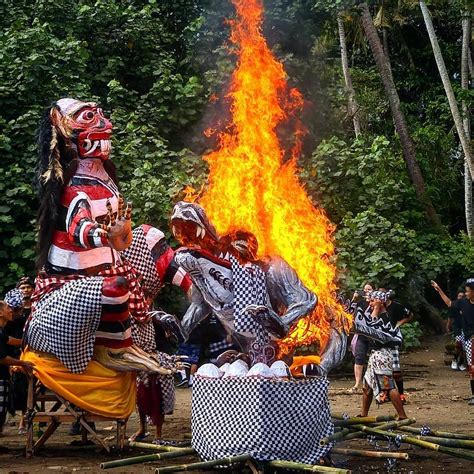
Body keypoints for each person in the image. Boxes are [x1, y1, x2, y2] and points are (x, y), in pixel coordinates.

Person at [360, 291, 407, 419]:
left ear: (380, 302)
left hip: (383, 355)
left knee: (388, 385)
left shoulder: (386, 317)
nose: (370, 304)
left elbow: (369, 325)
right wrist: (374, 307)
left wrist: (375, 308)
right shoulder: (377, 314)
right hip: (375, 354)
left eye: (372, 301)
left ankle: (402, 415)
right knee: (367, 385)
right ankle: (364, 414)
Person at [432, 279, 474, 405]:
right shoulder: (462, 303)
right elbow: (449, 303)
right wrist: (439, 290)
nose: (466, 293)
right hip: (469, 339)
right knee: (472, 368)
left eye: (467, 291)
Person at [0, 291, 34, 436]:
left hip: (3, 377)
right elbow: (2, 358)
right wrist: (22, 363)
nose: (11, 310)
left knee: (2, 411)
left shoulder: (1, 332)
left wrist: (28, 342)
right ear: (0, 313)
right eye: (8, 308)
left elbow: (9, 340)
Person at [382, 289, 413, 404]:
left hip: (393, 338)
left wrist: (399, 324)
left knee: (396, 371)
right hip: (380, 341)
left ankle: (401, 394)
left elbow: (409, 315)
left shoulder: (396, 306)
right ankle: (386, 393)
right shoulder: (376, 308)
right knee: (384, 370)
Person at [349, 283, 374, 393]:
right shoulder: (360, 303)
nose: (367, 292)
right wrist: (354, 299)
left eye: (369, 289)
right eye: (365, 290)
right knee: (359, 358)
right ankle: (357, 383)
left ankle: (372, 383)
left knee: (374, 359)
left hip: (374, 336)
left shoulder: (377, 303)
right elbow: (349, 312)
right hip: (361, 335)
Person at [446, 291, 467, 371]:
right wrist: (448, 326)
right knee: (459, 344)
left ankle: (461, 362)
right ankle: (454, 359)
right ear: (457, 297)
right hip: (457, 327)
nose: (461, 297)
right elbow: (450, 317)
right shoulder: (454, 306)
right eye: (459, 296)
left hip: (465, 328)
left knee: (463, 347)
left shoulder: (467, 305)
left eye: (462, 296)